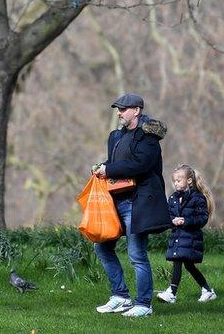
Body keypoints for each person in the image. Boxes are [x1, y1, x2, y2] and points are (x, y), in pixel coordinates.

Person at [92, 92, 171, 318]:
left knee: (137, 254)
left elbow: (141, 164)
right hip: (116, 202)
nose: (119, 112)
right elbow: (116, 164)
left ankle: (144, 304)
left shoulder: (149, 137)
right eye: (118, 109)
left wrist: (110, 170)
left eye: (123, 109)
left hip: (138, 203)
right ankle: (120, 297)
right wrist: (101, 167)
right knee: (103, 247)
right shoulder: (115, 136)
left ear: (136, 110)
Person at [156, 164, 217, 304]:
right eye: (175, 181)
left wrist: (186, 221)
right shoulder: (172, 199)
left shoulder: (197, 198)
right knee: (189, 266)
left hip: (191, 237)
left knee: (178, 261)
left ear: (189, 181)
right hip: (177, 236)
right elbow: (168, 216)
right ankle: (207, 290)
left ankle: (172, 292)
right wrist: (173, 221)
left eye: (179, 180)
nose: (176, 183)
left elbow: (202, 218)